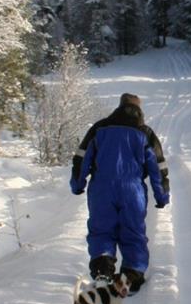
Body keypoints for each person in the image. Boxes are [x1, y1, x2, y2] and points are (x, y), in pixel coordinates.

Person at [71, 92, 169, 293]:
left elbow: (82, 157)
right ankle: (131, 275)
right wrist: (161, 195)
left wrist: (78, 184)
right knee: (133, 231)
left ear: (119, 107)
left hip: (102, 188)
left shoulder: (100, 128)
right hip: (132, 190)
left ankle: (102, 268)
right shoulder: (145, 132)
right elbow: (157, 166)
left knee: (101, 229)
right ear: (139, 110)